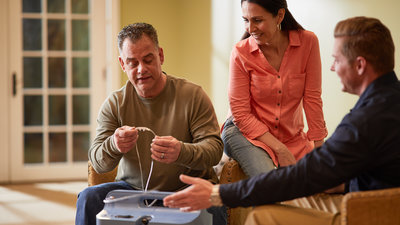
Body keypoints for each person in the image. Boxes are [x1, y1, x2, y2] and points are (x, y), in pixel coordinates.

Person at [164, 16, 400, 225]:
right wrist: (338, 182)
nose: (331, 67)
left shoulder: (365, 121)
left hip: (368, 213)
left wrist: (219, 194)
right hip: (375, 201)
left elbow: (303, 176)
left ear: (359, 65)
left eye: (336, 60)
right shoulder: (389, 102)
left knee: (263, 215)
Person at [75, 23, 226, 225]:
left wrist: (181, 151)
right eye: (132, 63)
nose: (141, 69)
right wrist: (114, 145)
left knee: (214, 206)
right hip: (133, 193)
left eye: (148, 60)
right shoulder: (115, 103)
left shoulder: (192, 95)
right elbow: (98, 163)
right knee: (88, 198)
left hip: (186, 191)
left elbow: (214, 150)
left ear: (160, 56)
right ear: (122, 64)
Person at [221, 0, 327, 178]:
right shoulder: (240, 53)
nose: (250, 28)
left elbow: (312, 99)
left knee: (326, 181)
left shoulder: (308, 42)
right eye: (246, 20)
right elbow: (240, 114)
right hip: (245, 133)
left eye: (257, 20)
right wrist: (280, 149)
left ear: (280, 15)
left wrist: (320, 151)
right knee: (273, 183)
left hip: (291, 137)